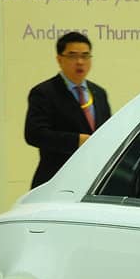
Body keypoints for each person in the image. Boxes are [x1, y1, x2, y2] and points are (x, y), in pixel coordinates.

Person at [24, 31, 110, 188]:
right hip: (56, 180)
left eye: (85, 56)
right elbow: (34, 134)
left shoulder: (99, 93)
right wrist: (77, 140)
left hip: (92, 182)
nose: (80, 62)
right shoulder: (44, 92)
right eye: (72, 56)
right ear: (59, 59)